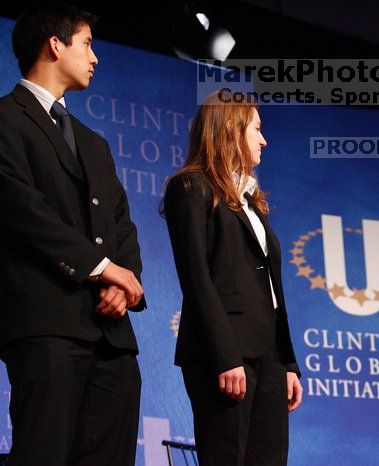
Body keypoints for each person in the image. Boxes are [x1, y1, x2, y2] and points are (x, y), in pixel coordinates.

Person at [0, 3, 145, 465]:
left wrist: (126, 283)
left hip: (111, 334)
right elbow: (21, 211)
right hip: (47, 326)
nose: (95, 57)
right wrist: (102, 270)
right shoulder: (5, 118)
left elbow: (121, 223)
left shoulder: (94, 142)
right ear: (54, 44)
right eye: (87, 44)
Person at [162, 91, 302, 466]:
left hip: (268, 354)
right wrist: (225, 356)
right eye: (257, 128)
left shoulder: (252, 200)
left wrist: (287, 363)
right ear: (231, 128)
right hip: (224, 353)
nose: (264, 139)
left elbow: (271, 289)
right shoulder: (191, 188)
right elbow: (196, 278)